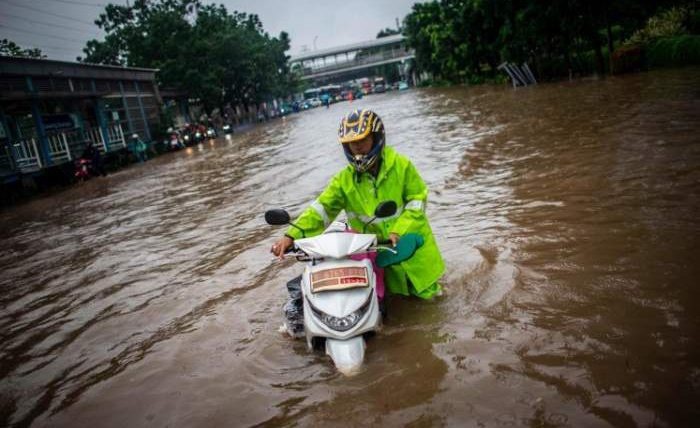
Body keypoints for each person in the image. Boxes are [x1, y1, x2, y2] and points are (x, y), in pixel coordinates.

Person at [271, 109, 445, 334]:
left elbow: (417, 202)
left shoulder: (402, 166)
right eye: (352, 143)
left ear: (376, 137)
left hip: (414, 255)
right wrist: (290, 236)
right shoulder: (343, 181)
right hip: (380, 259)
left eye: (362, 140)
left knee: (436, 318)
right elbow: (321, 210)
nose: (358, 147)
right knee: (393, 319)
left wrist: (399, 230)